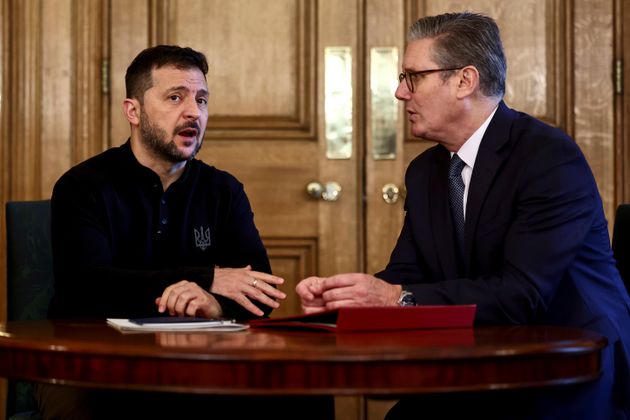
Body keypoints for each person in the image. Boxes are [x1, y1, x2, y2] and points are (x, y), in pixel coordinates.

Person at [296, 12, 630, 420]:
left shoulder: (547, 159)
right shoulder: (425, 172)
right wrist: (346, 301)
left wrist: (394, 298)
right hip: (474, 365)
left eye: (412, 77)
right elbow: (409, 274)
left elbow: (520, 295)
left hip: (563, 371)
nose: (400, 93)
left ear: (463, 81)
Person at [40, 45, 333, 419]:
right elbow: (86, 285)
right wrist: (205, 277)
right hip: (96, 360)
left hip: (202, 358)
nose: (194, 112)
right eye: (175, 97)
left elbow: (260, 293)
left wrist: (215, 305)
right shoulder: (83, 185)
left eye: (202, 99)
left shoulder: (223, 190)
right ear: (133, 111)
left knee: (305, 389)